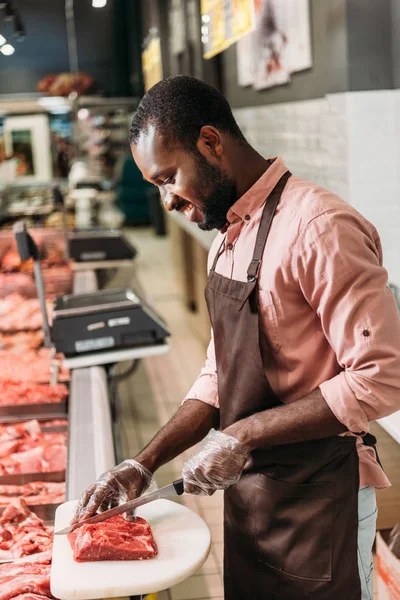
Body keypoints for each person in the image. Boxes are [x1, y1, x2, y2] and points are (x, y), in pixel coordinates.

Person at [73, 76, 400, 599]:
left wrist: (241, 436)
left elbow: (382, 379)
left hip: (321, 497)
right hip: (252, 499)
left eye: (168, 178)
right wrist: (143, 462)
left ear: (210, 142)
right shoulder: (225, 239)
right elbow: (218, 376)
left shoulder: (320, 227)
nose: (166, 201)